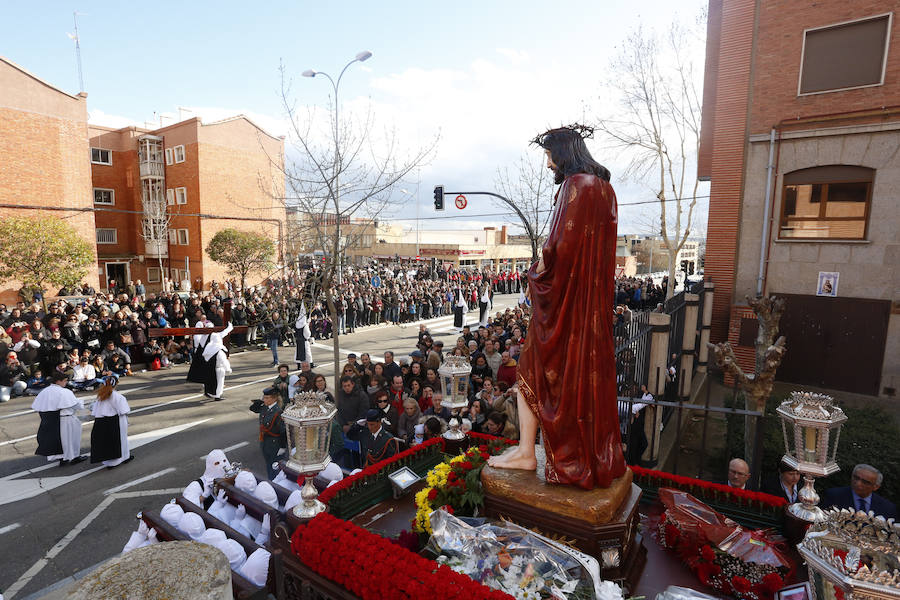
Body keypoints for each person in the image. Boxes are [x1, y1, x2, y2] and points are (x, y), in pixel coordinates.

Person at [489, 126, 626, 490]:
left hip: (564, 303)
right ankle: (560, 454)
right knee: (578, 380)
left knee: (531, 369)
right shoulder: (605, 189)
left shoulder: (576, 185)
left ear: (562, 153)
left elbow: (558, 247)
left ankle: (526, 452)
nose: (548, 164)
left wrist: (536, 273)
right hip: (589, 307)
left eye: (549, 155)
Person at [31, 371, 84, 465]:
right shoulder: (64, 392)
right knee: (71, 439)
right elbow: (75, 405)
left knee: (59, 440)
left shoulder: (44, 391)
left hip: (52, 420)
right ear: (58, 381)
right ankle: (74, 457)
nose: (66, 383)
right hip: (66, 419)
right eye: (64, 381)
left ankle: (63, 458)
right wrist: (81, 402)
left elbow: (40, 407)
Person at [822, 464, 897, 520]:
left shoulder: (887, 508)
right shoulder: (834, 496)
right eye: (856, 478)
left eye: (865, 482)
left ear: (876, 487)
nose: (858, 483)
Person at [90, 376, 133, 468]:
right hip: (117, 420)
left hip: (101, 421)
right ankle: (123, 457)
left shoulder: (101, 395)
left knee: (107, 441)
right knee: (121, 439)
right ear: (116, 384)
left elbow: (94, 410)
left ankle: (108, 461)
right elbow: (124, 410)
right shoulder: (117, 396)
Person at [249, 387, 286, 480]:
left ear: (274, 399)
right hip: (265, 442)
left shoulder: (278, 412)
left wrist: (282, 447)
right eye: (264, 397)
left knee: (275, 467)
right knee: (268, 465)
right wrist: (260, 401)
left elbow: (283, 431)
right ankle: (271, 481)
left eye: (267, 398)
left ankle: (276, 484)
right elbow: (252, 408)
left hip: (275, 444)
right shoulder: (264, 408)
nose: (264, 399)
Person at [202, 321, 233, 401]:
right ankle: (217, 395)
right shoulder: (219, 351)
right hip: (219, 368)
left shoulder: (208, 348)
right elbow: (224, 360)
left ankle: (209, 392)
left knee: (210, 382)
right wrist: (228, 369)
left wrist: (229, 328)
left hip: (210, 368)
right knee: (219, 383)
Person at [293, 303, 313, 369]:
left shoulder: (297, 323)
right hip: (304, 341)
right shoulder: (305, 325)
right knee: (308, 353)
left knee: (298, 352)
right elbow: (307, 334)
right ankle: (310, 364)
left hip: (298, 340)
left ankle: (299, 365)